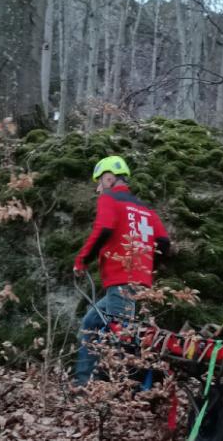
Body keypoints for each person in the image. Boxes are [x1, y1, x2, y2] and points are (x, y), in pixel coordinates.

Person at [73, 155, 170, 385]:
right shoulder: (146, 209)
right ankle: (83, 383)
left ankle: (124, 391)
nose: (98, 188)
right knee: (91, 323)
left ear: (109, 178)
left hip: (121, 281)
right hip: (137, 282)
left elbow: (104, 228)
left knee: (121, 338)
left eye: (99, 182)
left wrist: (82, 260)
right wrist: (145, 268)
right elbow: (164, 243)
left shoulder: (110, 199)